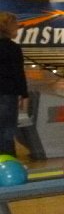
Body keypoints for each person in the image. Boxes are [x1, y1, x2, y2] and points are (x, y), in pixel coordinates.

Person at [0, 12, 27, 158]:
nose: (17, 27)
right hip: (7, 94)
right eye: (15, 25)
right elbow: (18, 73)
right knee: (7, 131)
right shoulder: (12, 47)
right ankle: (7, 163)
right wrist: (24, 95)